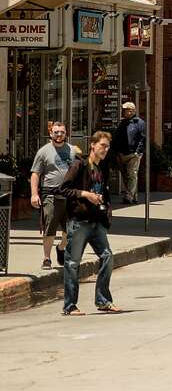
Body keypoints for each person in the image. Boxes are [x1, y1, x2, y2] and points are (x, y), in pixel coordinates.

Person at [59, 131, 120, 316]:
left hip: (97, 222)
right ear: (92, 145)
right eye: (102, 145)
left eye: (107, 147)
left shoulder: (102, 169)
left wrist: (106, 208)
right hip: (80, 222)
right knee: (72, 263)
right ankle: (70, 306)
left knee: (107, 257)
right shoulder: (80, 164)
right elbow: (64, 189)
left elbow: (104, 192)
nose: (105, 149)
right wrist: (85, 194)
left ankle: (103, 301)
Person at [30, 121, 74, 270]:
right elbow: (35, 174)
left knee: (71, 229)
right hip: (50, 195)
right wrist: (34, 194)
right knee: (50, 227)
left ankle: (61, 248)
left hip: (70, 195)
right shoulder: (43, 152)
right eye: (56, 132)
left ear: (66, 133)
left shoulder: (73, 151)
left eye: (62, 132)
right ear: (51, 134)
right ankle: (47, 258)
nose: (59, 134)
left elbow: (81, 173)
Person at [111, 101, 146, 204]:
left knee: (132, 174)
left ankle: (129, 196)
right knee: (126, 175)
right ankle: (133, 196)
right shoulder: (122, 123)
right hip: (122, 153)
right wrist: (116, 151)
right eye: (125, 110)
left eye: (128, 110)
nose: (126, 112)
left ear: (133, 111)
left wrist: (137, 152)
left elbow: (142, 138)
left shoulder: (139, 123)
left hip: (134, 154)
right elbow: (117, 138)